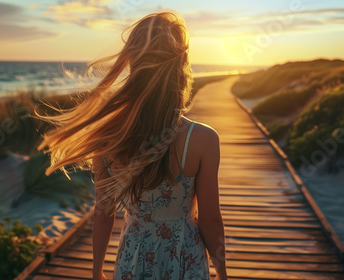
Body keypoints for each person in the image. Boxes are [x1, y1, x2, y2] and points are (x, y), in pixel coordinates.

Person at [36, 11, 227, 280]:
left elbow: (103, 213)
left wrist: (97, 269)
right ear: (181, 66)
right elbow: (210, 220)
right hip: (185, 260)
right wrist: (221, 270)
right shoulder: (203, 139)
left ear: (134, 63)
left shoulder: (110, 136)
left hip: (133, 259)